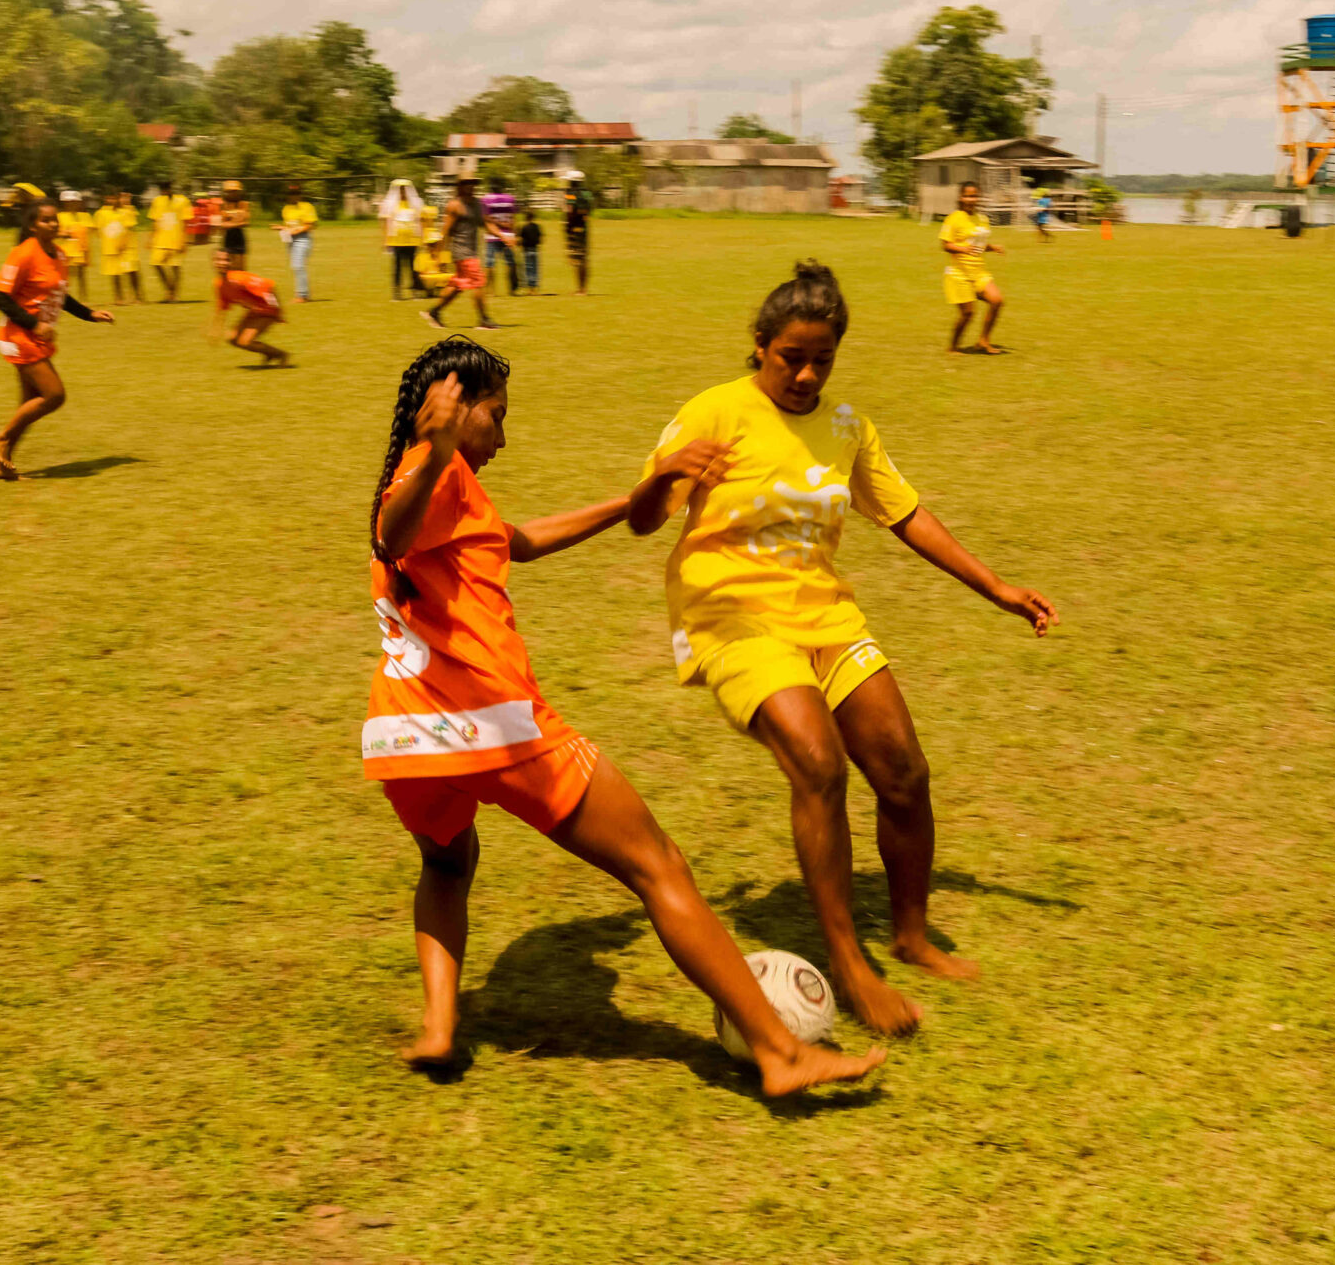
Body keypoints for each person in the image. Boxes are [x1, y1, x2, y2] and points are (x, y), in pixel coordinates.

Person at [364, 336, 887, 1093]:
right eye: (497, 417)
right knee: (659, 865)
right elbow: (393, 530)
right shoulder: (429, 471)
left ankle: (439, 1027)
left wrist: (644, 489)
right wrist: (440, 445)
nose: (503, 437)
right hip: (495, 723)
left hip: (403, 736)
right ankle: (781, 1050)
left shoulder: (447, 482)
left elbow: (522, 541)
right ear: (452, 403)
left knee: (447, 860)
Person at [626, 261, 1056, 1034]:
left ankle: (912, 933)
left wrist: (996, 587)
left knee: (903, 769)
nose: (805, 372)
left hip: (824, 617)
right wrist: (662, 477)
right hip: (730, 616)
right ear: (759, 346)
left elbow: (906, 513)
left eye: (822, 357)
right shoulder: (714, 412)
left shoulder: (847, 427)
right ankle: (850, 964)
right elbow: (643, 519)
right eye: (791, 355)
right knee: (818, 763)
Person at [0, 199, 117, 479]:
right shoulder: (23, 254)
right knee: (54, 395)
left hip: (35, 337)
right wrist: (35, 324)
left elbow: (59, 295)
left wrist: (89, 314)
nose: (54, 224)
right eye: (46, 220)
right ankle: (2, 438)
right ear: (33, 225)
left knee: (30, 403)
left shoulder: (59, 255)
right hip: (17, 335)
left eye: (55, 219)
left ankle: (1, 465)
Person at [423, 175, 505, 331]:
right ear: (460, 186)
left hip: (472, 250)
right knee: (479, 282)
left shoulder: (477, 204)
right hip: (461, 251)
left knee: (458, 285)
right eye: (467, 183)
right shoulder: (455, 205)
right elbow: (445, 232)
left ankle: (434, 312)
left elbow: (486, 224)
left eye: (473, 183)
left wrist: (502, 236)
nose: (471, 186)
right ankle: (484, 319)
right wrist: (439, 255)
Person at [940, 182, 1007, 354]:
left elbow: (980, 245)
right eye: (968, 196)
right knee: (968, 314)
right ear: (961, 198)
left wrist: (993, 247)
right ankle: (953, 347)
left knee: (997, 301)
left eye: (975, 196)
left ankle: (983, 341)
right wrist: (963, 249)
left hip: (979, 273)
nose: (972, 199)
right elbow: (946, 245)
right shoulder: (954, 218)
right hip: (959, 274)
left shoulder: (982, 219)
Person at [207, 249, 292, 366]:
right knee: (232, 338)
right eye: (219, 260)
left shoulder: (240, 279)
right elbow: (222, 307)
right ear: (213, 262)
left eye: (226, 260)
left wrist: (279, 312)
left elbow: (269, 285)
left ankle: (281, 354)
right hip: (254, 311)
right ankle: (269, 354)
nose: (223, 263)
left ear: (231, 262)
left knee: (245, 341)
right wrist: (215, 330)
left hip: (268, 310)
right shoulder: (219, 284)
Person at [97, 188, 144, 305]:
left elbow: (129, 228)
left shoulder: (126, 211)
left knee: (131, 271)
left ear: (118, 199)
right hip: (111, 247)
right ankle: (118, 297)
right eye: (108, 198)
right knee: (115, 274)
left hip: (127, 247)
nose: (111, 201)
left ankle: (138, 296)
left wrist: (123, 243)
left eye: (113, 198)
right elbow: (100, 230)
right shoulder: (101, 213)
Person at [379, 178, 425, 298]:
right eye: (400, 190)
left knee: (413, 267)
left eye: (404, 190)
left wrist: (422, 238)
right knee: (397, 267)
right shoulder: (391, 205)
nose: (402, 192)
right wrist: (385, 240)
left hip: (412, 240)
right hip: (397, 241)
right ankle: (397, 292)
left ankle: (415, 291)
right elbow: (386, 223)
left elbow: (420, 221)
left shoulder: (415, 204)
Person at [147, 185, 193, 302]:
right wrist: (150, 238)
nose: (165, 191)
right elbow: (155, 220)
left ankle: (174, 295)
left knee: (175, 267)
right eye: (163, 189)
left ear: (172, 189)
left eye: (167, 189)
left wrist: (185, 240)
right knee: (156, 264)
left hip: (176, 239)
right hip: (160, 240)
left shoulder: (182, 200)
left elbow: (187, 222)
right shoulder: (157, 201)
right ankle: (169, 289)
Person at [279, 183, 319, 301]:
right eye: (291, 194)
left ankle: (302, 295)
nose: (294, 196)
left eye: (297, 193)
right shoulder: (286, 208)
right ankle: (302, 294)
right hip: (290, 239)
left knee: (298, 265)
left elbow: (311, 225)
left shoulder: (307, 206)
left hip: (303, 238)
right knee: (295, 266)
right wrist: (281, 228)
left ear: (300, 195)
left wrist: (294, 231)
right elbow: (288, 226)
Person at [55, 191, 96, 302]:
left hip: (81, 249)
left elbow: (91, 229)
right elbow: (55, 232)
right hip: (65, 249)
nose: (71, 204)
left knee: (81, 275)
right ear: (64, 203)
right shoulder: (59, 216)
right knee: (65, 275)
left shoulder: (85, 216)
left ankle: (84, 299)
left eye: (74, 202)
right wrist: (64, 234)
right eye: (68, 202)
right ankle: (65, 299)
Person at [482, 181, 521, 293]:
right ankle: (512, 290)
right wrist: (513, 235)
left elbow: (486, 219)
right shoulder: (510, 199)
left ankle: (491, 290)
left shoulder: (486, 199)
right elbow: (513, 218)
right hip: (508, 236)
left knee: (490, 264)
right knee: (511, 263)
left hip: (492, 236)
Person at [563, 180, 592, 295]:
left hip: (574, 229)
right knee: (584, 259)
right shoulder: (587, 193)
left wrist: (568, 226)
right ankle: (583, 288)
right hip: (584, 228)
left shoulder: (570, 193)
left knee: (576, 259)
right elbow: (589, 210)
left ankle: (580, 289)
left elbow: (570, 210)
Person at [218, 180, 251, 260]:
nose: (233, 194)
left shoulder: (244, 204)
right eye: (230, 191)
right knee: (227, 262)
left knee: (240, 263)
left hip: (240, 237)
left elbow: (246, 222)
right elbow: (222, 225)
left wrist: (229, 220)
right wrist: (238, 223)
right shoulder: (222, 205)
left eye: (235, 191)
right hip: (227, 237)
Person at [516, 210, 543, 295]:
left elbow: (520, 239)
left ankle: (529, 290)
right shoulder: (537, 227)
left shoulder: (524, 227)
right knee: (535, 269)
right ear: (533, 217)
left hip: (526, 250)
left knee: (528, 269)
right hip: (535, 249)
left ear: (526, 218)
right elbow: (540, 239)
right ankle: (535, 289)